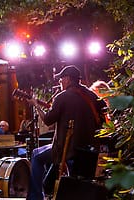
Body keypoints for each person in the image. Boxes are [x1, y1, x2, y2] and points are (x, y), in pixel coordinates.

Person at [26, 65, 107, 200]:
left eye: (61, 79)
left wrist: (36, 105)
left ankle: (36, 197)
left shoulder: (62, 97)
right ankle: (49, 188)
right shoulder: (90, 95)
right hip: (89, 151)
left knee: (36, 155)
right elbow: (104, 111)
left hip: (66, 150)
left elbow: (47, 120)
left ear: (68, 79)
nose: (60, 82)